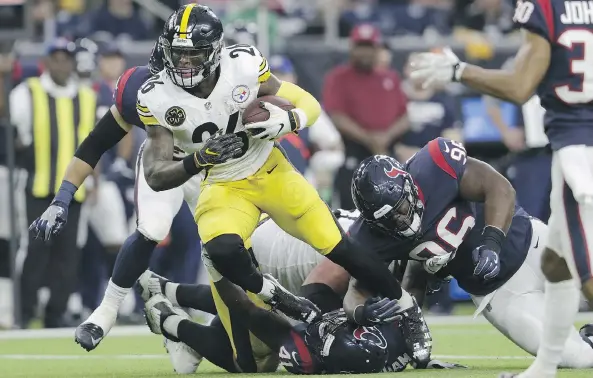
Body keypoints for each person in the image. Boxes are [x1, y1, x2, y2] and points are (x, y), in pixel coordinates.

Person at [137, 4, 417, 372]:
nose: (185, 63)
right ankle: (277, 298)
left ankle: (409, 310)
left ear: (216, 50)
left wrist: (288, 120)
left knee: (338, 246)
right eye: (179, 53)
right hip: (222, 184)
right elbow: (156, 174)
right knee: (222, 251)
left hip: (269, 170)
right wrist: (198, 159)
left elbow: (307, 104)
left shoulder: (244, 64)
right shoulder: (157, 95)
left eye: (194, 53)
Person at [409, 1, 593, 377]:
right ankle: (544, 368)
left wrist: (459, 70)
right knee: (560, 264)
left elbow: (520, 85)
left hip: (576, 149)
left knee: (582, 266)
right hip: (569, 150)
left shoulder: (545, 7)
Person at [343, 139, 593, 370]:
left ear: (407, 185)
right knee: (576, 359)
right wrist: (362, 312)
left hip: (532, 244)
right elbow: (355, 293)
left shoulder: (433, 166)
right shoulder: (368, 237)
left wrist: (492, 242)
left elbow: (499, 187)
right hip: (498, 294)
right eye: (388, 219)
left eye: (401, 207)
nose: (400, 220)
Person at [137, 267, 463, 374]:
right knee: (250, 356)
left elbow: (308, 316)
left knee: (258, 350)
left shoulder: (326, 346)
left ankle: (167, 307)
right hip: (291, 271)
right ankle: (167, 314)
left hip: (310, 333)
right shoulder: (389, 329)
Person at [10, 38, 97, 328]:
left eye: (66, 59)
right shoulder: (27, 92)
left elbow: (95, 145)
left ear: (72, 63)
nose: (61, 64)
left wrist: (94, 181)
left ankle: (55, 314)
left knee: (68, 255)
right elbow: (15, 136)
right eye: (56, 58)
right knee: (34, 252)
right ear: (46, 62)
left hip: (74, 192)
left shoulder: (86, 96)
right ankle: (24, 313)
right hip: (37, 187)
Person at [323, 24, 409, 209]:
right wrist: (369, 139)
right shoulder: (339, 77)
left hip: (387, 154)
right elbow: (337, 116)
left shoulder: (390, 78)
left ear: (377, 49)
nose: (365, 52)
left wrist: (385, 138)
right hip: (353, 154)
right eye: (361, 46)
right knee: (351, 215)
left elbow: (405, 117)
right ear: (352, 48)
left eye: (369, 47)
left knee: (394, 213)